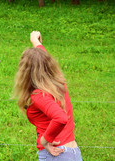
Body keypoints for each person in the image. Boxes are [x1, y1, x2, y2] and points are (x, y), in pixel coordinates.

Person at [13, 31, 82, 161]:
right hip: (72, 153)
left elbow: (60, 118)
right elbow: (42, 58)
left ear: (25, 72)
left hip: (56, 154)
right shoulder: (59, 82)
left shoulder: (39, 94)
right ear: (49, 64)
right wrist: (36, 41)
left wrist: (45, 141)